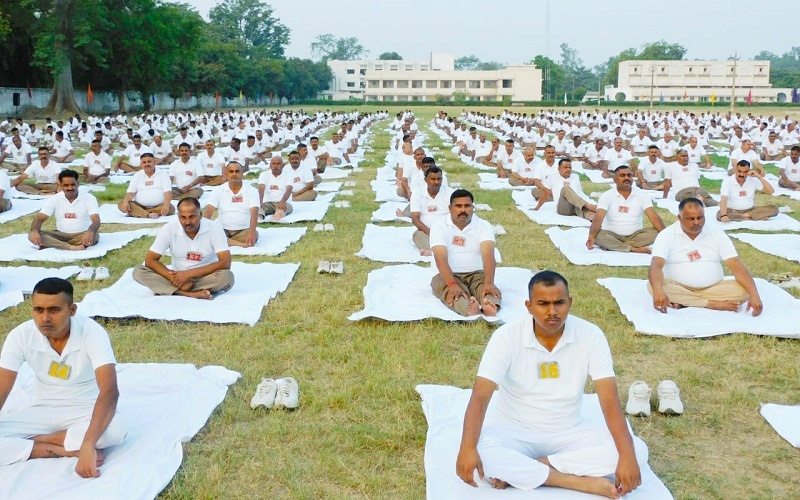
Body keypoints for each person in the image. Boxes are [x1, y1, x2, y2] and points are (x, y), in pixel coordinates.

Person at [456, 271, 641, 497]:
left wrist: (627, 456)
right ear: (529, 306)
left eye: (559, 303)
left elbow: (610, 400)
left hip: (568, 429)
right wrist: (467, 448)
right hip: (514, 429)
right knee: (481, 452)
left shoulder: (591, 335)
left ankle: (535, 467)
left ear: (570, 303)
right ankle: (570, 481)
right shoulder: (506, 337)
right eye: (543, 304)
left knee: (635, 451)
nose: (552, 312)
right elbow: (480, 396)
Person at [0, 278, 127, 477]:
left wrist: (88, 443)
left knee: (117, 430)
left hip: (85, 408)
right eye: (38, 310)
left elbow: (109, 391)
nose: (45, 318)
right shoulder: (20, 335)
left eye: (54, 310)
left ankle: (40, 439)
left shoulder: (92, 332)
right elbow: (2, 388)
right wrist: (83, 447)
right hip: (42, 408)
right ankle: (60, 449)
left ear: (72, 310)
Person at [648, 197, 762, 314]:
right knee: (653, 286)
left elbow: (735, 265)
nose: (696, 222)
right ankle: (711, 304)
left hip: (713, 288)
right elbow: (656, 266)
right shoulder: (666, 235)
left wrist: (754, 295)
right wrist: (658, 291)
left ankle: (686, 302)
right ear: (679, 218)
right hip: (678, 287)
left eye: (700, 218)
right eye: (690, 219)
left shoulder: (716, 232)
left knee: (744, 291)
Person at [133, 197, 234, 299]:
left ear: (200, 215)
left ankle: (169, 289)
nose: (187, 222)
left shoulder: (215, 229)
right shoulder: (168, 229)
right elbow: (150, 260)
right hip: (176, 278)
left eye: (192, 217)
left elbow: (225, 262)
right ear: (178, 216)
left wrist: (188, 275)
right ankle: (188, 293)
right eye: (183, 217)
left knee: (226, 277)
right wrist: (174, 278)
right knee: (139, 272)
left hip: (205, 277)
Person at [430, 189, 501, 317]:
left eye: (467, 206)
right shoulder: (439, 226)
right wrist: (452, 285)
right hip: (446, 275)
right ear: (450, 208)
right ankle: (469, 309)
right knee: (455, 294)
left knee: (488, 292)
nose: (463, 210)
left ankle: (489, 307)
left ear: (473, 208)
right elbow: (440, 260)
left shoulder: (483, 225)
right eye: (458, 206)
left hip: (476, 273)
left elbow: (488, 256)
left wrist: (489, 283)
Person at [587, 166, 665, 254]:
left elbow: (654, 217)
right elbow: (598, 218)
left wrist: (665, 235)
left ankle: (614, 246)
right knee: (597, 235)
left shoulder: (641, 194)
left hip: (635, 236)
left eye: (629, 175)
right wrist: (592, 236)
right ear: (615, 179)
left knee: (657, 232)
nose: (626, 178)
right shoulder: (607, 195)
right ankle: (633, 249)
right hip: (611, 234)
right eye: (622, 175)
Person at [29, 169, 100, 250]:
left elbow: (96, 221)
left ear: (78, 184)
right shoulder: (55, 198)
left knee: (94, 236)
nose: (70, 188)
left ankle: (55, 244)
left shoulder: (89, 198)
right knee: (32, 235)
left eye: (73, 185)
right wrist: (34, 231)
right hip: (61, 235)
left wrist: (90, 232)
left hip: (82, 234)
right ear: (61, 185)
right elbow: (39, 218)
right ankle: (69, 247)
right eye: (66, 185)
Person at [203, 162, 260, 247]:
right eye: (231, 171)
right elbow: (208, 211)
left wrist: (251, 232)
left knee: (253, 235)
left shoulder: (252, 191)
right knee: (210, 235)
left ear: (242, 173)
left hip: (243, 230)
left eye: (237, 171)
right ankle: (239, 244)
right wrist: (203, 230)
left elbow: (254, 214)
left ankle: (225, 242)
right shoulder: (218, 190)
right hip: (223, 229)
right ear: (226, 173)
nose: (234, 174)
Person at [118, 153, 175, 219]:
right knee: (121, 204)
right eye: (144, 162)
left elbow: (168, 192)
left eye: (149, 162)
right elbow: (130, 193)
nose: (147, 164)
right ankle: (148, 214)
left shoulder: (163, 174)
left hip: (159, 206)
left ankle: (140, 213)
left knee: (171, 208)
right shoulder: (137, 175)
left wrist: (166, 206)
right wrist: (125, 202)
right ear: (141, 164)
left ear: (154, 162)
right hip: (140, 205)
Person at [410, 166, 450, 256]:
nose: (436, 182)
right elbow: (415, 219)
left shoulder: (450, 193)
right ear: (425, 180)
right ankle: (435, 251)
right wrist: (430, 232)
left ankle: (438, 250)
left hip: (447, 230)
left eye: (439, 179)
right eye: (433, 179)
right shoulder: (417, 193)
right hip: (426, 232)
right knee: (418, 236)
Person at [257, 155, 293, 221]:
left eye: (278, 164)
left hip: (284, 202)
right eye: (273, 164)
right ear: (270, 165)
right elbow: (261, 188)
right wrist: (261, 201)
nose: (275, 166)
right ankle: (259, 219)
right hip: (268, 202)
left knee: (281, 211)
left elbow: (289, 189)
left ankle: (274, 219)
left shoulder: (289, 175)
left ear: (283, 165)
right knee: (258, 209)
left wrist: (283, 202)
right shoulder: (264, 174)